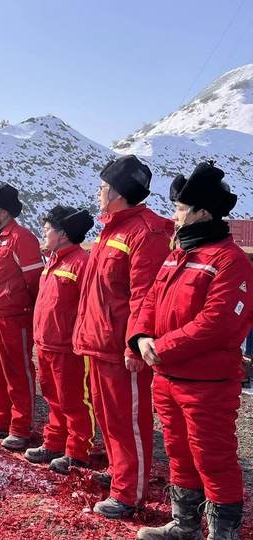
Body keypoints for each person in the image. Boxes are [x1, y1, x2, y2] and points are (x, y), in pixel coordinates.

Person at [132, 162, 251, 540]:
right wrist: (140, 337)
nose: (175, 215)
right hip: (168, 377)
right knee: (179, 454)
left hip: (207, 383)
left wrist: (161, 348)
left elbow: (217, 323)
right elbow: (151, 300)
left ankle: (223, 533)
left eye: (181, 209)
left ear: (202, 213)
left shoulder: (230, 260)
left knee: (213, 459)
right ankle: (185, 526)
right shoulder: (178, 254)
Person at [72, 155, 174, 519]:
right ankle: (119, 473)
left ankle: (130, 493)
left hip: (120, 347)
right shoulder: (111, 229)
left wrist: (135, 344)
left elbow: (145, 296)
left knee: (128, 421)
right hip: (98, 342)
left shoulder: (145, 232)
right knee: (108, 416)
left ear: (117, 192)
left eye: (102, 186)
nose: (98, 192)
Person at [25, 205, 96, 474]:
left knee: (74, 400)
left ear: (63, 234)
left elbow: (89, 307)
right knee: (52, 397)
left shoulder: (81, 263)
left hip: (68, 348)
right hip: (46, 344)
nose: (43, 234)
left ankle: (78, 451)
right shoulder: (53, 261)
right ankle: (54, 442)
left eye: (47, 230)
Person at [0, 184, 45, 442]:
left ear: (4, 212)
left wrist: (30, 311)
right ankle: (0, 420)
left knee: (17, 372)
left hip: (14, 317)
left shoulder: (21, 238)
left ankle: (20, 427)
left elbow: (35, 281)